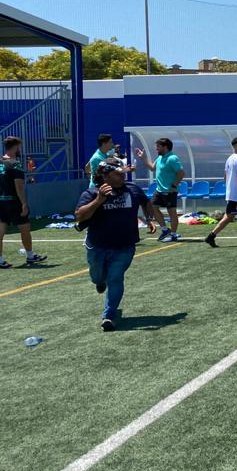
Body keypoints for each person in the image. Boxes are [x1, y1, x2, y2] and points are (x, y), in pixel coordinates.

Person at [75, 157, 158, 331]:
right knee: (97, 277)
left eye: (123, 173)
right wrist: (99, 200)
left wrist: (150, 219)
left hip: (125, 246)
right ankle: (100, 281)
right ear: (105, 176)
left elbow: (146, 202)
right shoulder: (91, 193)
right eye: (118, 173)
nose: (122, 176)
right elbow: (80, 216)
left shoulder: (133, 189)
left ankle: (109, 315)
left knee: (115, 277)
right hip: (97, 245)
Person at [0, 136, 46, 269]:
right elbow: (19, 186)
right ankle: (30, 256)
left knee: (0, 230)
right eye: (19, 147)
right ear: (15, 147)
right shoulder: (15, 164)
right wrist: (24, 203)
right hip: (14, 201)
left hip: (0, 200)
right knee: (25, 228)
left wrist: (2, 191)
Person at [135, 138, 185, 242]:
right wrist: (143, 158)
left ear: (165, 147)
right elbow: (152, 168)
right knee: (153, 208)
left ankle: (173, 235)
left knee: (172, 213)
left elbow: (181, 173)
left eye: (158, 146)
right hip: (159, 190)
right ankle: (165, 230)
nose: (156, 148)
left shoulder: (172, 158)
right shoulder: (160, 157)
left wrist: (174, 186)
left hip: (170, 191)